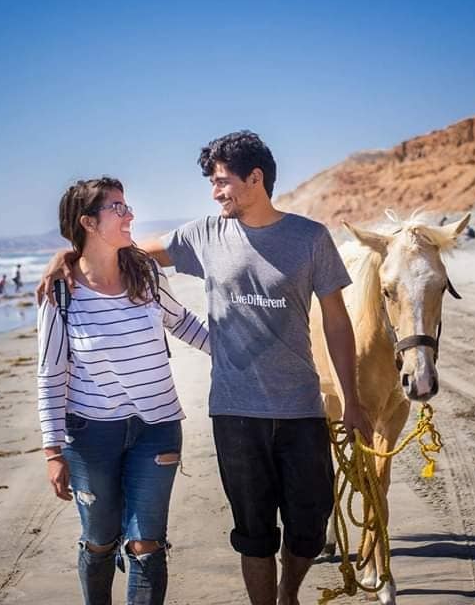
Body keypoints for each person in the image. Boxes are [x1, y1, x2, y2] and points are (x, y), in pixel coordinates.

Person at [40, 132, 369, 605]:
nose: (214, 193)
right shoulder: (204, 234)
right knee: (252, 529)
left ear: (255, 179)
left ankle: (289, 591)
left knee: (309, 525)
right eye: (212, 183)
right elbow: (123, 252)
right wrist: (67, 255)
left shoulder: (310, 238)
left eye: (221, 182)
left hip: (301, 405)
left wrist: (352, 399)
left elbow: (337, 321)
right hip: (234, 411)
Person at [37, 177, 210, 605]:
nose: (129, 214)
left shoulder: (144, 273)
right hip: (91, 436)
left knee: (146, 544)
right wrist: (52, 451)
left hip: (157, 428)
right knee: (99, 541)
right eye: (117, 208)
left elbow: (183, 322)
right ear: (88, 222)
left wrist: (239, 355)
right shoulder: (61, 292)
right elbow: (50, 373)